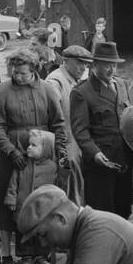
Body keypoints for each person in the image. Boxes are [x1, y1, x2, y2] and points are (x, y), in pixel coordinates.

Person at [0, 50, 67, 264]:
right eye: (14, 72)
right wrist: (10, 150)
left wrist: (58, 151)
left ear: (33, 71)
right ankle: (6, 252)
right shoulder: (1, 91)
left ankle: (40, 251)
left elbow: (58, 123)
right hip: (13, 149)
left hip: (43, 150)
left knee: (42, 200)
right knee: (8, 199)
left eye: (23, 73)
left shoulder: (47, 90)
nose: (18, 77)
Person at [71, 40, 133, 217]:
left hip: (124, 159)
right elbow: (80, 130)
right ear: (94, 65)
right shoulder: (82, 92)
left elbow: (129, 117)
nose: (111, 70)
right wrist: (95, 153)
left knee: (125, 209)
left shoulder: (122, 85)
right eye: (107, 65)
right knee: (102, 213)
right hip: (100, 163)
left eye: (114, 65)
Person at [44, 44, 92, 205]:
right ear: (65, 61)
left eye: (86, 63)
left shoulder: (80, 79)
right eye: (79, 63)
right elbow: (52, 117)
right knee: (69, 186)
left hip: (80, 140)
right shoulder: (55, 81)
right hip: (66, 141)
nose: (83, 67)